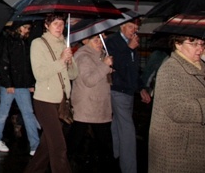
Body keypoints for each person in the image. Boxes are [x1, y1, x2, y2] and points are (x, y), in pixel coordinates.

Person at [25, 13, 78, 173]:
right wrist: (61, 61)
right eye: (56, 24)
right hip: (44, 101)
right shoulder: (38, 44)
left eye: (62, 24)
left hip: (61, 101)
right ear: (46, 26)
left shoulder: (65, 45)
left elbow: (73, 75)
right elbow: (39, 74)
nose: (60, 27)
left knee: (47, 146)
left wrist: (69, 62)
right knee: (58, 145)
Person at [148, 34, 205, 172]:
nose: (199, 49)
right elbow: (178, 110)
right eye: (193, 44)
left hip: (194, 144)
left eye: (202, 44)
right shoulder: (170, 69)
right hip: (177, 147)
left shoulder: (200, 65)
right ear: (178, 44)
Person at [105, 20, 151, 173]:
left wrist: (141, 88)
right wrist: (129, 49)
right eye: (131, 27)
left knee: (118, 125)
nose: (134, 30)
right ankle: (129, 169)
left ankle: (115, 157)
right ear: (122, 26)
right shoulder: (111, 41)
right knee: (128, 130)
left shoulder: (132, 43)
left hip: (129, 91)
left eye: (136, 28)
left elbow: (133, 70)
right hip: (117, 89)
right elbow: (114, 65)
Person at [0, 20, 40, 156]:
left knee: (28, 114)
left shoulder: (26, 42)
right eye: (24, 27)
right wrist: (8, 83)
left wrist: (30, 83)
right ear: (18, 28)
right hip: (10, 85)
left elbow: (27, 66)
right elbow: (4, 62)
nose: (26, 30)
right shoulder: (8, 40)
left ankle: (35, 145)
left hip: (22, 85)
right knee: (3, 113)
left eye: (28, 28)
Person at [67, 33, 114, 170]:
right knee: (76, 140)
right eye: (95, 40)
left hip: (98, 105)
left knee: (101, 142)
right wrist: (105, 66)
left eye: (100, 39)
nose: (99, 43)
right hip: (88, 105)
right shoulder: (84, 56)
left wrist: (107, 67)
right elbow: (89, 80)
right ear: (86, 41)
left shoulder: (101, 54)